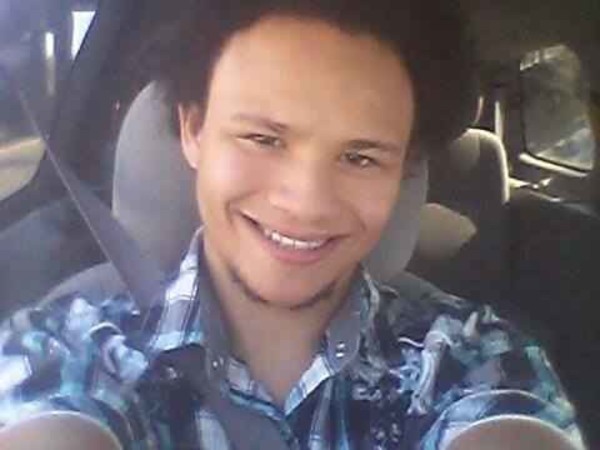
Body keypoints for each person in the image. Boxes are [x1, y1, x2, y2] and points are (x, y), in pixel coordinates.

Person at [0, 0, 584, 448]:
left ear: (403, 170)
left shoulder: (471, 356)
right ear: (194, 130)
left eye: (360, 157)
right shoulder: (67, 349)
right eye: (263, 138)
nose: (306, 203)